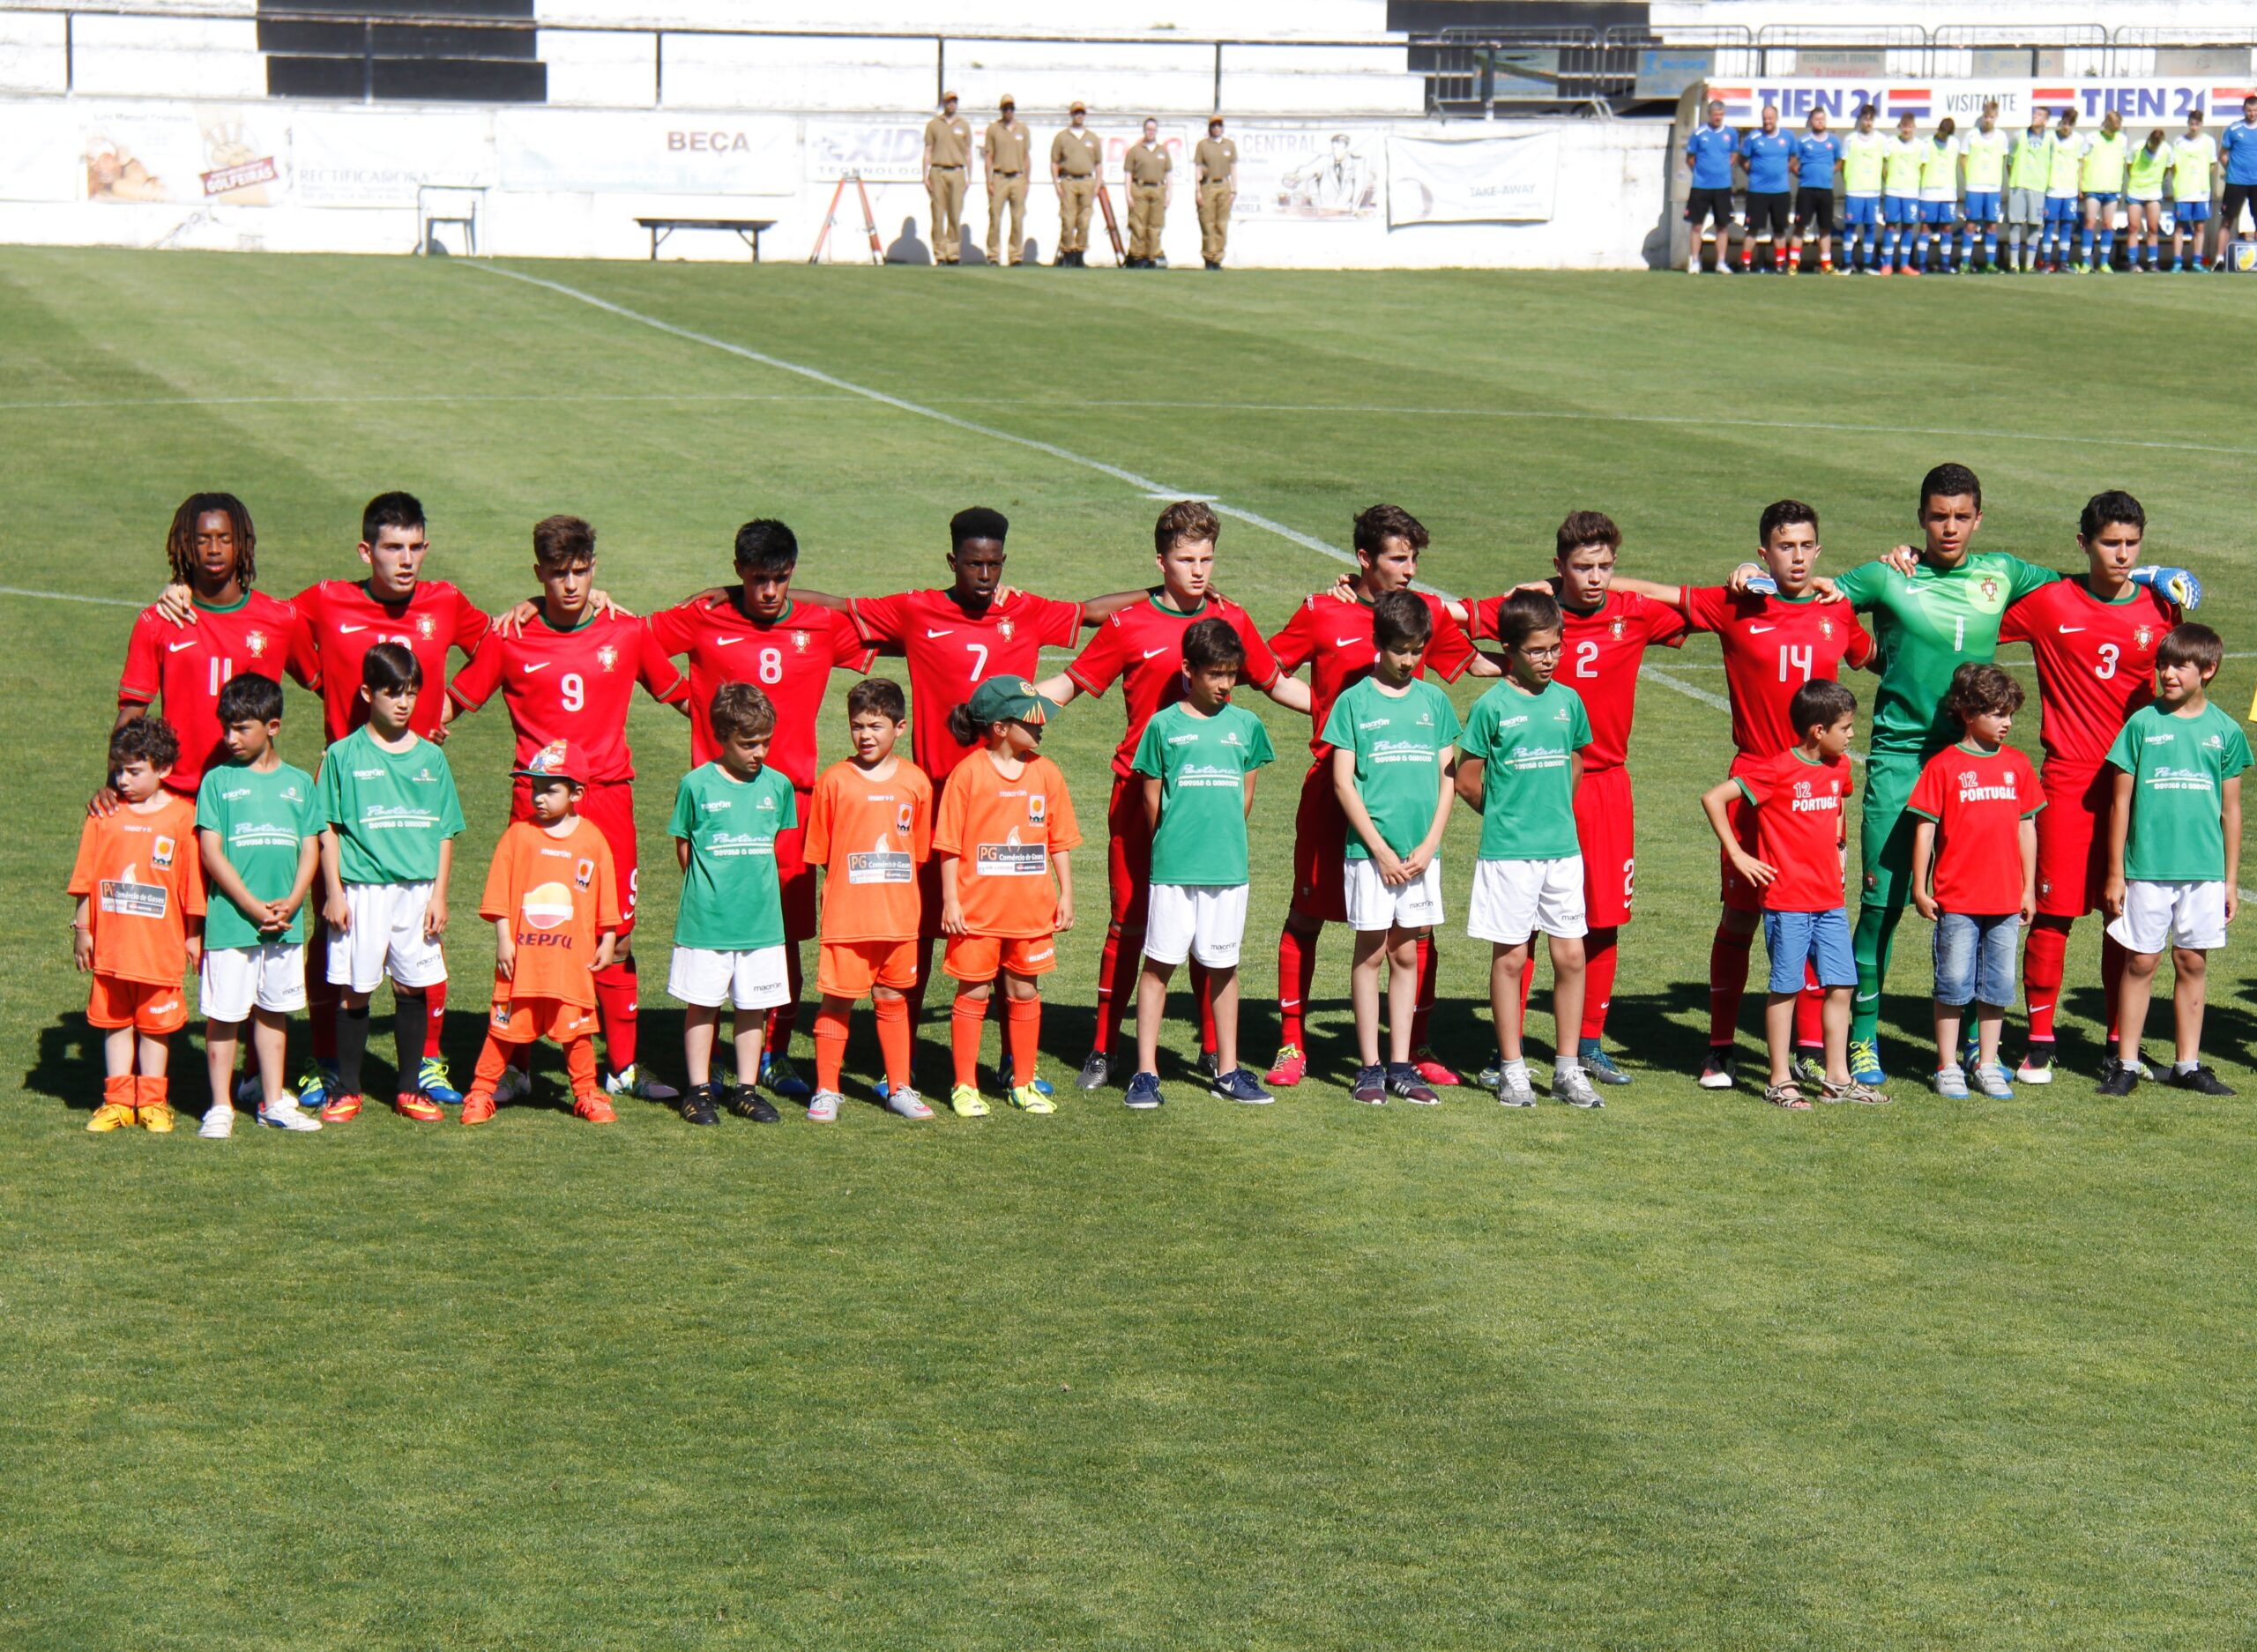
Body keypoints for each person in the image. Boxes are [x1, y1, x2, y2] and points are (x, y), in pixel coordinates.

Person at [829, 507, 1132, 1087]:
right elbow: (843, 608)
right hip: (934, 796)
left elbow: (1091, 612)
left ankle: (1014, 1063)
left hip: (1003, 804)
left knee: (1004, 928)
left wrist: (1161, 587)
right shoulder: (917, 608)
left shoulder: (1026, 610)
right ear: (953, 561)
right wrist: (740, 592)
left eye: (994, 563)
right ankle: (907, 1052)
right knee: (915, 928)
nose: (986, 575)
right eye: (974, 564)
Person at [1034, 500, 1309, 1092]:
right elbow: (1070, 685)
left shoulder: (1231, 619)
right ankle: (1105, 1048)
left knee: (1208, 930)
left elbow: (1276, 681)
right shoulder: (1129, 623)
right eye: (1186, 559)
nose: (1198, 570)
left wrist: (1346, 714)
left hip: (1207, 803)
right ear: (1160, 560)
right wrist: (1012, 707)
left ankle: (1215, 1052)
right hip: (1138, 798)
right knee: (1130, 925)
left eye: (1207, 558)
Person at [1617, 500, 1874, 1091]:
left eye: (1807, 545)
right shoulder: (1738, 602)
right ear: (1764, 553)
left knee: (1818, 914)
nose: (1798, 556)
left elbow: (1875, 653)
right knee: (1739, 919)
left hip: (1817, 793)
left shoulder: (1838, 611)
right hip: (1755, 787)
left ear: (1819, 549)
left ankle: (1810, 1049)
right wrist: (1578, 582)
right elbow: (1657, 593)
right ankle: (1721, 1046)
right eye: (1786, 546)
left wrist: (1901, 563)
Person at [446, 514, 689, 1105]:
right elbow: (453, 706)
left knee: (618, 936)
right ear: (539, 574)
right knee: (530, 936)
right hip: (535, 807)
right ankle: (516, 1067)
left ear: (594, 570)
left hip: (608, 800)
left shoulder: (626, 631)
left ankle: (623, 1068)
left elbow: (685, 698)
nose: (571, 585)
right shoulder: (510, 637)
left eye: (580, 572)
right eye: (558, 575)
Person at [648, 520, 875, 1101]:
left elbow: (889, 638)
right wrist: (685, 700)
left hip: (789, 801)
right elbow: (637, 641)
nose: (770, 592)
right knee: (715, 928)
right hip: (720, 808)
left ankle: (772, 1056)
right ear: (738, 574)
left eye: (779, 580)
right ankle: (711, 1060)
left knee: (785, 935)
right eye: (757, 581)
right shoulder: (704, 616)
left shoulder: (821, 625)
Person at [1463, 511, 1688, 1085]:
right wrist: (1471, 660)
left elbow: (1705, 609)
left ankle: (1588, 1042)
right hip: (1533, 785)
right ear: (1557, 567)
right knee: (1526, 922)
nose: (1595, 578)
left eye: (1605, 567)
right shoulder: (1532, 611)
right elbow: (1446, 620)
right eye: (1582, 567)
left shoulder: (1634, 612)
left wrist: (1739, 573)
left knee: (1604, 915)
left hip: (1605, 781)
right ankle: (1505, 1052)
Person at [1264, 503, 1482, 1091]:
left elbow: (1472, 663)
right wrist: (1317, 708)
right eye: (1398, 558)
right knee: (1308, 913)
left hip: (1405, 791)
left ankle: (1418, 1044)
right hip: (1333, 788)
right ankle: (1292, 1043)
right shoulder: (1322, 611)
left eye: (1414, 558)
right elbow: (1262, 666)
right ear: (1364, 559)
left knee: (1415, 930)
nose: (1410, 569)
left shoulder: (1425, 615)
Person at [1996, 491, 2180, 1083]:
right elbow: (1973, 622)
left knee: (2122, 913)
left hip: (2141, 781)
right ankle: (2041, 1040)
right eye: (2110, 543)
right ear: (2084, 544)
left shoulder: (2161, 608)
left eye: (2132, 544)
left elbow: (2190, 676)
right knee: (2052, 911)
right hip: (2071, 778)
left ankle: (2119, 1042)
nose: (2121, 555)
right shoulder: (2050, 603)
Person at [1701, 681, 1881, 1110]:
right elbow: (1714, 798)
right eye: (1846, 727)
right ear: (1818, 731)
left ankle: (1837, 1077)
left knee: (1840, 986)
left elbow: (1838, 806)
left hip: (1830, 902)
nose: (1852, 735)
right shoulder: (1776, 769)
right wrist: (1739, 855)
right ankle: (1779, 1079)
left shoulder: (1840, 769)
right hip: (1786, 902)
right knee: (1786, 988)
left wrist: (1839, 854)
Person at [1127, 618, 1276, 1109]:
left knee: (1223, 967)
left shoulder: (1247, 726)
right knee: (1159, 966)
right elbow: (1153, 800)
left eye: (1232, 673)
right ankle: (1146, 1072)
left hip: (1228, 870)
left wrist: (1219, 840)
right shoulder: (1163, 726)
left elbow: (1245, 797)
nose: (1226, 684)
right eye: (1215, 674)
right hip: (1174, 868)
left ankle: (1228, 1071)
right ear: (1188, 670)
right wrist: (1174, 842)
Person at [314, 643, 464, 1125]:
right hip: (361, 892)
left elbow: (445, 830)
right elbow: (327, 829)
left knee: (412, 987)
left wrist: (439, 894)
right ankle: (348, 1090)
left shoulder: (432, 759)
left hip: (417, 892)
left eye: (412, 693)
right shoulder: (342, 755)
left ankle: (407, 1089)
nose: (403, 702)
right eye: (392, 692)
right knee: (356, 991)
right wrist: (334, 892)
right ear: (366, 692)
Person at [1456, 590, 1596, 1110]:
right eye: (1538, 650)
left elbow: (1576, 761)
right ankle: (1512, 1070)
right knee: (1512, 958)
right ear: (1510, 650)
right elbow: (1468, 779)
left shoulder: (1567, 701)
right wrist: (1508, 814)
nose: (1549, 658)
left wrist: (1552, 807)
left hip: (1562, 849)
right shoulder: (1492, 706)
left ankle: (1566, 1068)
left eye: (1555, 648)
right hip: (1509, 853)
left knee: (1571, 956)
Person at [1321, 592, 1459, 1107]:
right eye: (1400, 649)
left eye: (1417, 649)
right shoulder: (1354, 701)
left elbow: (1448, 780)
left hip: (1421, 857)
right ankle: (1370, 1067)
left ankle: (1401, 1065)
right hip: (1370, 856)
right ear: (1378, 643)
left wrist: (1429, 846)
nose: (1409, 660)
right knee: (1372, 950)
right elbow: (1342, 783)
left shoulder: (1434, 702)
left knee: (1407, 952)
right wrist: (1378, 849)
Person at [2100, 624, 2248, 1096]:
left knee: (2191, 961)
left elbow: (2231, 810)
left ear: (2208, 670)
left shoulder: (2225, 730)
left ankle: (2188, 1064)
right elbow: (2119, 803)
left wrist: (2229, 881)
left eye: (2180, 665)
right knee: (2141, 962)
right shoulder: (2142, 724)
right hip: (2146, 868)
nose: (2167, 673)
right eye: (2163, 664)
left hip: (2203, 872)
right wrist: (2115, 872)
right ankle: (2125, 1063)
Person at [932, 677, 1081, 1116]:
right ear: (999, 727)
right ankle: (964, 1085)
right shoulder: (968, 774)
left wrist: (1066, 893)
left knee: (1024, 992)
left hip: (1031, 912)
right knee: (974, 994)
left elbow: (1059, 840)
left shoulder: (1047, 772)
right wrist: (951, 901)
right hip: (977, 913)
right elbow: (948, 844)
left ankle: (1023, 1082)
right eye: (1032, 718)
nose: (1042, 726)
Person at [108, 493, 312, 810]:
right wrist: (112, 787)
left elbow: (330, 685)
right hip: (178, 796)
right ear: (186, 545)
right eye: (203, 540)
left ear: (241, 543)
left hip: (253, 795)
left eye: (224, 539)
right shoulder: (158, 622)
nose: (214, 549)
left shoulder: (280, 619)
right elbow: (133, 714)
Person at [459, 740, 622, 1127]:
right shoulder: (518, 835)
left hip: (571, 962)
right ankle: (481, 1092)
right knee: (502, 1030)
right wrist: (503, 939)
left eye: (550, 788)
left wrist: (609, 939)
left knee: (577, 1032)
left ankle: (586, 1095)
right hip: (522, 960)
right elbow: (499, 894)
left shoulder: (593, 840)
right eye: (534, 787)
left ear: (577, 793)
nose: (539, 797)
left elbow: (606, 898)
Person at [194, 674, 323, 1135]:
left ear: (273, 726)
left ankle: (273, 1102)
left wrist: (292, 901)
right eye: (226, 727)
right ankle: (221, 1107)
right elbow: (212, 853)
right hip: (232, 922)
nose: (230, 739)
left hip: (285, 923)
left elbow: (311, 848)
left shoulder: (298, 785)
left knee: (274, 1010)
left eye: (242, 728)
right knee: (225, 1014)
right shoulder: (217, 783)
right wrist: (251, 906)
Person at [803, 679, 935, 1122]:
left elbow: (916, 854)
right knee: (838, 1001)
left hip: (898, 919)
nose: (865, 735)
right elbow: (822, 856)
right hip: (847, 918)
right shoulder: (834, 781)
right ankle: (826, 1089)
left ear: (899, 727)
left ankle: (899, 1087)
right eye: (857, 726)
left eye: (875, 726)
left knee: (892, 997)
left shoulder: (916, 783)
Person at [1909, 666, 2041, 1100]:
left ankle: (1987, 1063)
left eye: (2010, 713)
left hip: (2005, 900)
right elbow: (1925, 829)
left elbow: (2027, 829)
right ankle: (1947, 1065)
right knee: (1952, 984)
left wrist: (2026, 889)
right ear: (1968, 713)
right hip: (1957, 900)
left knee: (1998, 987)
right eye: (1997, 712)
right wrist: (1920, 886)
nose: (2006, 722)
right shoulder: (1944, 766)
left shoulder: (2018, 765)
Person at [667, 684, 796, 1127]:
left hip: (761, 922)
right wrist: (709, 890)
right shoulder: (696, 785)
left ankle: (745, 1089)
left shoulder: (778, 787)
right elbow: (684, 847)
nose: (759, 752)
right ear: (722, 736)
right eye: (748, 743)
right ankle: (699, 1090)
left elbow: (773, 845)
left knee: (752, 1007)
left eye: (765, 742)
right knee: (703, 1005)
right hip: (707, 921)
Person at [71, 718, 204, 1134]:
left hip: (158, 950)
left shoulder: (183, 818)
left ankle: (153, 1102)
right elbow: (85, 879)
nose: (122, 780)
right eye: (118, 770)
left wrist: (195, 935)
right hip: (112, 948)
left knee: (155, 1028)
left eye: (134, 771)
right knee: (115, 1025)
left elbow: (192, 884)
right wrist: (82, 930)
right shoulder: (104, 816)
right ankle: (116, 1102)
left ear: (162, 769)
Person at [1736, 102, 1792, 273]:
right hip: (1757, 191)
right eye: (1765, 118)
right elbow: (1742, 160)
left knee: (1779, 229)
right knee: (1752, 229)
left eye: (1770, 118)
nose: (1767, 122)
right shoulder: (1753, 138)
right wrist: (1753, 174)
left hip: (1780, 192)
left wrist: (1784, 171)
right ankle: (1745, 263)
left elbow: (1794, 157)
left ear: (1776, 119)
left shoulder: (1787, 137)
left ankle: (1780, 263)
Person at [1684, 99, 1739, 274]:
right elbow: (1690, 158)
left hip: (1722, 187)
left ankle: (1721, 262)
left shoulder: (1730, 133)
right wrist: (1703, 172)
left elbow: (1734, 155)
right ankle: (1695, 262)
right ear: (1709, 115)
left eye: (1721, 115)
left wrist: (1721, 171)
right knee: (1696, 225)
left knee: (1722, 225)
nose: (1718, 118)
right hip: (1701, 186)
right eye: (1715, 115)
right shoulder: (1699, 134)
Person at [1787, 108, 1841, 274]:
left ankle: (1826, 264)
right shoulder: (1803, 142)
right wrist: (1800, 174)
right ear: (1811, 121)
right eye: (1817, 119)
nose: (1820, 122)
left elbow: (1839, 162)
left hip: (1825, 190)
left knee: (1825, 227)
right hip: (1806, 190)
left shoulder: (1834, 141)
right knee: (1800, 226)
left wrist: (1829, 172)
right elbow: (1792, 163)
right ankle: (1793, 263)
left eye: (1822, 119)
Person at [1960, 100, 2009, 272]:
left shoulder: (2001, 136)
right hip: (1974, 187)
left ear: (1996, 117)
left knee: (1992, 225)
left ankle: (1990, 263)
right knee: (1971, 225)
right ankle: (1965, 262)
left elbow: (2004, 158)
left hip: (1993, 188)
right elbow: (1963, 158)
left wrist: (1997, 179)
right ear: (1982, 116)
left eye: (1992, 117)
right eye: (1986, 116)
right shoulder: (1972, 135)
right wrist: (1970, 177)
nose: (1988, 120)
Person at [1050, 101, 1100, 267]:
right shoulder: (1062, 137)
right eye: (1076, 113)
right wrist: (1057, 184)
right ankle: (1068, 252)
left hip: (1087, 181)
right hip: (1068, 181)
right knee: (1068, 219)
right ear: (1071, 115)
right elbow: (1054, 162)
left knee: (1084, 220)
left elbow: (1098, 164)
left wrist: (1097, 184)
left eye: (1082, 113)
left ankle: (1079, 253)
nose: (1079, 116)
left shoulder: (1092, 138)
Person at [923, 92, 972, 264]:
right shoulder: (934, 125)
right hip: (938, 171)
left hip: (957, 171)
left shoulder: (963, 125)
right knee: (938, 214)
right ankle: (940, 253)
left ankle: (953, 253)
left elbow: (968, 153)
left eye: (954, 101)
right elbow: (928, 150)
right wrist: (925, 174)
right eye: (949, 102)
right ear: (944, 104)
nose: (952, 104)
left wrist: (969, 176)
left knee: (955, 214)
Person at [2078, 108, 2128, 273]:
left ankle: (2104, 262)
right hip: (2093, 186)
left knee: (2108, 224)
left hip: (2112, 188)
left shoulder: (2122, 139)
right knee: (2090, 222)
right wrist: (2080, 185)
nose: (2115, 130)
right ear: (2106, 123)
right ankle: (2086, 261)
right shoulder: (2092, 138)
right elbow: (2081, 162)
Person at [983, 95, 1030, 267]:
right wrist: (989, 181)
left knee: (1017, 218)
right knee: (995, 217)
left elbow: (1026, 157)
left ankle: (1016, 255)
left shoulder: (1022, 130)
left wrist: (1027, 181)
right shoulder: (994, 129)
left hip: (1017, 177)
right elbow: (989, 156)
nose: (1008, 111)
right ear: (1001, 110)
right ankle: (993, 255)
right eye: (1005, 108)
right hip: (1000, 177)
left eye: (1011, 108)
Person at [2006, 105, 2052, 272]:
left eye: (2039, 115)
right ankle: (2014, 264)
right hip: (2019, 185)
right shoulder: (2019, 137)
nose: (2034, 116)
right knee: (2015, 224)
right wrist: (2016, 178)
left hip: (2038, 187)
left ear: (2046, 120)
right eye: (2034, 113)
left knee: (2035, 225)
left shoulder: (2050, 140)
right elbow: (2009, 162)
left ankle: (2030, 264)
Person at [2171, 110, 2216, 272]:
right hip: (2183, 191)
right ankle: (2177, 262)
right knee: (2180, 228)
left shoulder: (2209, 142)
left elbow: (2212, 165)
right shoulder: (2178, 142)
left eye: (2197, 124)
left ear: (2201, 124)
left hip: (2202, 192)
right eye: (2191, 124)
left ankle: (2197, 261)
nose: (2194, 127)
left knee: (2200, 227)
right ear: (2188, 123)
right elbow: (2172, 166)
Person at [1880, 111, 1925, 275]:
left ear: (1914, 127)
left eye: (1910, 126)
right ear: (1900, 127)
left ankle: (1905, 265)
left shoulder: (1920, 145)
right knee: (1890, 226)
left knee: (1908, 227)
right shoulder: (1890, 143)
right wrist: (1890, 181)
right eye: (1904, 126)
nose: (1907, 130)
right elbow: (1883, 167)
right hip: (1893, 190)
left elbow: (1923, 167)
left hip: (1911, 192)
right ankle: (1887, 264)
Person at [2043, 107, 2086, 274]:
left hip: (2070, 190)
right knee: (2049, 225)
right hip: (2053, 188)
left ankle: (2063, 262)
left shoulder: (2078, 140)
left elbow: (2080, 165)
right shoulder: (2051, 137)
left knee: (2067, 226)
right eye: (2064, 123)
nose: (2066, 127)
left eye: (2070, 124)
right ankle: (2045, 261)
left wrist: (2080, 187)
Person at [1124, 117, 1171, 269]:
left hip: (1158, 189)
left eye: (1153, 129)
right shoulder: (1135, 151)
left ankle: (1153, 256)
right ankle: (1137, 256)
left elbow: (1169, 173)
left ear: (1156, 131)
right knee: (1138, 224)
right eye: (1148, 129)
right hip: (1140, 189)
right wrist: (1128, 194)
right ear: (1144, 130)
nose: (1151, 132)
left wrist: (1169, 193)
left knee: (1155, 225)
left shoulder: (1162, 151)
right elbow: (1128, 174)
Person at [1917, 116, 1961, 274]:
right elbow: (1920, 166)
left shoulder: (1955, 144)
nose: (1943, 136)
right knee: (1925, 227)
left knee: (1947, 227)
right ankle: (1921, 263)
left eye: (1946, 134)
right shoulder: (1927, 143)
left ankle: (1944, 263)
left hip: (1948, 191)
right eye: (1941, 133)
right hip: (1929, 191)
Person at [1194, 115, 1237, 271]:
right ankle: (1208, 257)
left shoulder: (1229, 145)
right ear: (1209, 128)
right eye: (1214, 125)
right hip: (1208, 184)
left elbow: (1233, 168)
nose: (1217, 128)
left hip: (1224, 184)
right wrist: (1198, 190)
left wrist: (1234, 189)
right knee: (1207, 222)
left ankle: (1218, 258)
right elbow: (1198, 168)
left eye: (1219, 125)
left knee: (1222, 223)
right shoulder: (1203, 145)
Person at [2127, 128, 2170, 272]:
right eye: (2152, 144)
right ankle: (2133, 262)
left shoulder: (2166, 150)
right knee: (2133, 227)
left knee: (2153, 228)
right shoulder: (2137, 147)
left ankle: (2152, 262)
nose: (2153, 147)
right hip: (2136, 191)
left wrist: (2156, 182)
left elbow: (2167, 169)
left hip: (2154, 193)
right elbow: (2129, 166)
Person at [2220, 94, 2257, 257]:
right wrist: (2232, 169)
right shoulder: (2234, 129)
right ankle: (2219, 259)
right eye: (2249, 111)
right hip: (2236, 181)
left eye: (2255, 111)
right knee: (2228, 220)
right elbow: (2222, 155)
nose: (2252, 114)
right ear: (2244, 110)